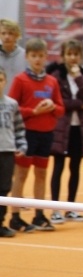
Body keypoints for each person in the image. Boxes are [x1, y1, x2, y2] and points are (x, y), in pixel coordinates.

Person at [7, 38, 65, 233]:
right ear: (27, 57)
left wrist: (52, 106)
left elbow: (61, 109)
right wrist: (33, 112)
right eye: (34, 56)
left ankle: (39, 215)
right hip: (26, 133)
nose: (38, 60)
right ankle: (15, 216)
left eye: (41, 56)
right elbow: (11, 108)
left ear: (46, 57)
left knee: (41, 174)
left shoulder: (52, 81)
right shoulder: (20, 80)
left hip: (46, 134)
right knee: (21, 174)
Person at [46, 40, 83, 225]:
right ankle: (55, 209)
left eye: (76, 54)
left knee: (75, 168)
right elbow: (59, 102)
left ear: (80, 56)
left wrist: (78, 78)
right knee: (58, 167)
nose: (72, 58)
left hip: (79, 128)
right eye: (69, 54)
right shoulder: (55, 76)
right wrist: (78, 104)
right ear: (63, 56)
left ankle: (70, 207)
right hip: (61, 127)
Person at [0, 69, 27, 237]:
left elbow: (19, 127)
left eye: (0, 80)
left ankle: (0, 222)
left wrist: (21, 145)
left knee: (4, 188)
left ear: (5, 81)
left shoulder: (12, 104)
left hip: (7, 151)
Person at [0, 19, 26, 94]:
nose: (6, 37)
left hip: (17, 99)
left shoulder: (25, 56)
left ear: (17, 35)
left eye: (10, 33)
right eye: (3, 33)